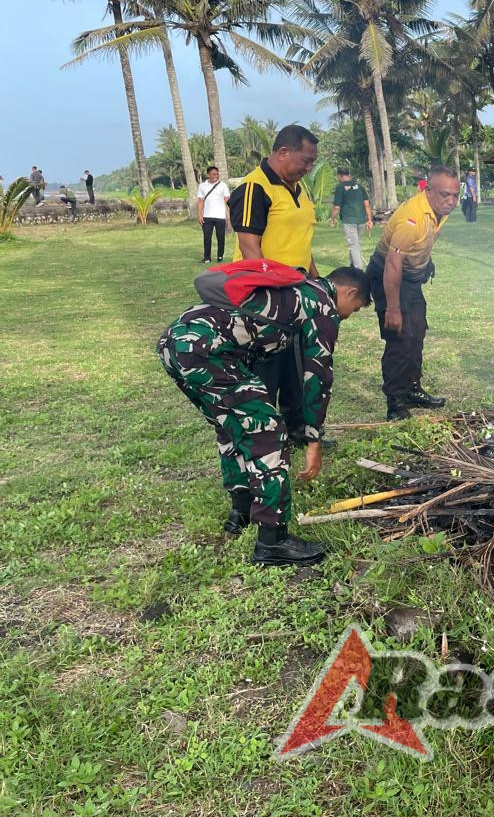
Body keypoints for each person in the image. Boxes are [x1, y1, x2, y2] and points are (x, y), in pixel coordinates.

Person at [157, 266, 370, 566]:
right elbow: (318, 375)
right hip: (207, 350)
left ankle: (241, 511)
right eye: (355, 309)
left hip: (176, 343)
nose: (348, 316)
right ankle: (273, 541)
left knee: (232, 427)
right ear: (349, 292)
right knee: (269, 437)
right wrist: (313, 438)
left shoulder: (296, 291)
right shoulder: (322, 304)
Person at [228, 124, 321, 444]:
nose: (309, 168)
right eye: (306, 161)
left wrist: (316, 282)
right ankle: (264, 436)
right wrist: (269, 295)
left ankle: (296, 428)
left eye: (312, 163)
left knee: (296, 362)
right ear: (283, 152)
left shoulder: (298, 187)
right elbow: (249, 248)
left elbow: (301, 241)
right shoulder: (254, 188)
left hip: (297, 289)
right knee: (268, 365)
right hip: (266, 294)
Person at [368, 164, 459, 420]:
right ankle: (395, 402)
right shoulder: (412, 218)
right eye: (445, 195)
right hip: (387, 274)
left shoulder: (438, 210)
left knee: (417, 330)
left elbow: (422, 242)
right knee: (399, 335)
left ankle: (411, 389)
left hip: (409, 278)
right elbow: (392, 262)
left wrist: (424, 263)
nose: (451, 201)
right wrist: (393, 308)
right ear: (428, 190)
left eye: (455, 195)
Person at [329, 167, 373, 269]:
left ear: (339, 176)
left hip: (349, 221)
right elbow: (367, 205)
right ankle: (352, 266)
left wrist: (332, 219)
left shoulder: (340, 187)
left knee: (354, 245)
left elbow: (336, 207)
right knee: (355, 245)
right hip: (361, 220)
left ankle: (358, 270)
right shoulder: (360, 187)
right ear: (349, 175)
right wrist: (370, 220)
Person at [197, 165, 232, 263]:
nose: (216, 176)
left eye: (217, 174)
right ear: (208, 174)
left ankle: (220, 257)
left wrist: (228, 216)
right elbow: (200, 201)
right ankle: (207, 258)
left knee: (220, 237)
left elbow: (227, 201)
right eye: (213, 174)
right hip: (207, 216)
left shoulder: (223, 185)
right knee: (207, 238)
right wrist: (199, 215)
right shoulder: (202, 186)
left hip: (220, 216)